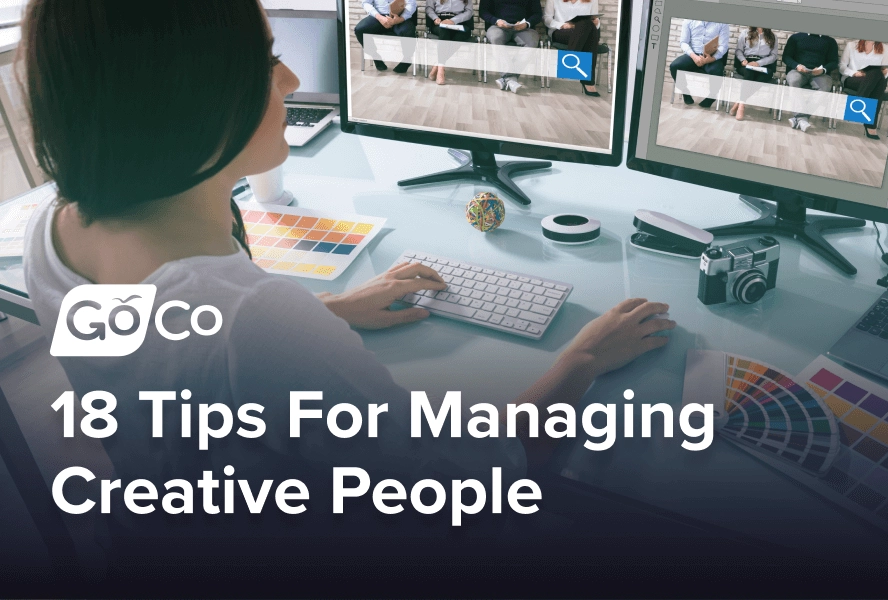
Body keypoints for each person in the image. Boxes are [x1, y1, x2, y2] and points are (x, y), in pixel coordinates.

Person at [19, 0, 677, 531]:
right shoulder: (252, 321)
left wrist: (323, 311)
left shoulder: (50, 230)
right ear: (190, 97)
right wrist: (580, 363)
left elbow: (174, 353)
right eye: (265, 61)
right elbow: (471, 477)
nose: (293, 82)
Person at [481, 0, 544, 94]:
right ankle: (511, 79)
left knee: (531, 42)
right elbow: (483, 11)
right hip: (498, 27)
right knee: (495, 38)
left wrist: (526, 23)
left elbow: (537, 14)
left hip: (523, 29)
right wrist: (497, 21)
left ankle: (507, 78)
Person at [544, 0, 603, 96]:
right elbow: (547, 19)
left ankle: (570, 61)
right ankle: (588, 82)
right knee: (589, 31)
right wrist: (562, 25)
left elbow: (595, 21)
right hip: (561, 31)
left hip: (585, 32)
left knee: (587, 25)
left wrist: (597, 22)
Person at [782, 32, 839, 132]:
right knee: (794, 80)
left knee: (825, 87)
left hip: (820, 74)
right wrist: (797, 66)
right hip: (798, 71)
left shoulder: (830, 41)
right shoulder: (796, 37)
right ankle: (802, 119)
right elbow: (786, 57)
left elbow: (834, 62)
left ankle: (798, 118)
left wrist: (823, 70)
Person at [669, 20, 730, 108]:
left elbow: (724, 46)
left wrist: (710, 59)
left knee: (717, 71)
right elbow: (683, 42)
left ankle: (712, 97)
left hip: (712, 56)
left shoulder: (723, 24)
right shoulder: (688, 21)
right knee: (674, 66)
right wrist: (694, 56)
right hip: (693, 54)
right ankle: (685, 92)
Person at [839, 39, 888, 140]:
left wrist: (885, 72)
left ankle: (857, 104)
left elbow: (884, 70)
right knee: (876, 83)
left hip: (874, 81)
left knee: (876, 73)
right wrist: (854, 73)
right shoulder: (852, 45)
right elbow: (842, 66)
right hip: (853, 79)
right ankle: (871, 126)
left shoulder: (885, 48)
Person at [728, 27, 777, 120]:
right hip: (747, 62)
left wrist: (759, 63)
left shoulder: (773, 36)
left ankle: (739, 102)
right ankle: (741, 107)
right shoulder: (745, 33)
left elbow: (774, 56)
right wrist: (743, 60)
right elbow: (738, 50)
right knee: (749, 73)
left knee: (764, 76)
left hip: (763, 64)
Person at [355, 0, 417, 73]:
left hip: (399, 16)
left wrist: (400, 19)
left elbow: (412, 4)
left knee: (409, 31)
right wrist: (379, 17)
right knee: (360, 30)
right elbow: (366, 3)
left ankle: (407, 60)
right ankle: (375, 56)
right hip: (379, 16)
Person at [426, 0, 475, 85]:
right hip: (440, 21)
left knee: (461, 35)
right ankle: (441, 70)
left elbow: (469, 12)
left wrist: (453, 21)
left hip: (459, 22)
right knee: (444, 31)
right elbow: (429, 8)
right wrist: (435, 18)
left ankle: (437, 64)